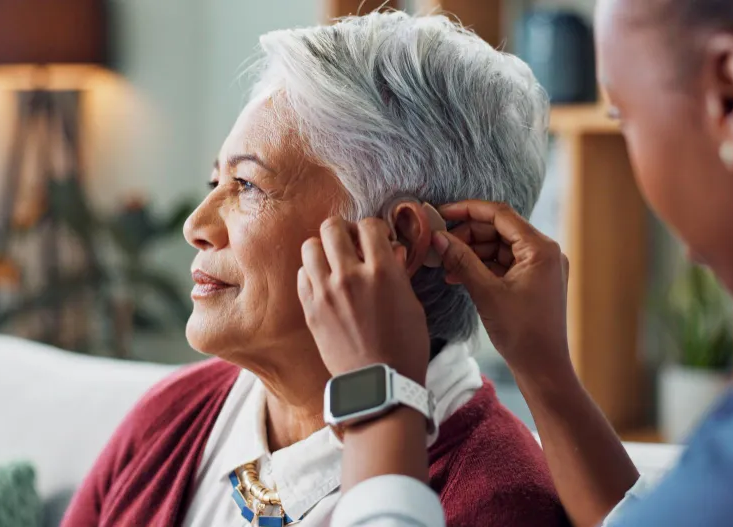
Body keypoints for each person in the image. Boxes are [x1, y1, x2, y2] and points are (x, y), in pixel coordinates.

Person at [297, 0, 733, 526]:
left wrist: (379, 397)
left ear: (732, 96)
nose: (197, 225)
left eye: (626, 118)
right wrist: (546, 371)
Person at [62, 11, 570, 527]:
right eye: (215, 182)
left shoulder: (497, 502)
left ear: (398, 239)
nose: (196, 224)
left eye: (248, 186)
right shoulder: (171, 418)